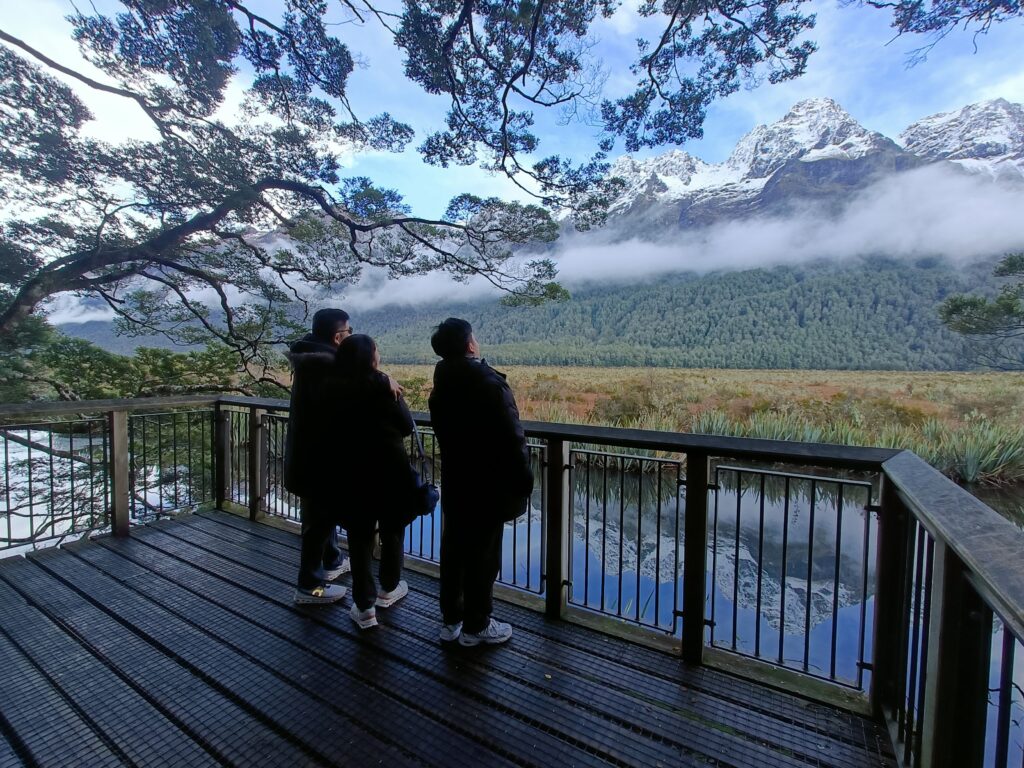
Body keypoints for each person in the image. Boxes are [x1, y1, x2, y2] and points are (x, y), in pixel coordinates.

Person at [282, 308, 400, 604]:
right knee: (317, 525)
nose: (349, 336)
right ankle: (310, 588)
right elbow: (354, 387)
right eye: (348, 332)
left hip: (310, 457)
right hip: (319, 461)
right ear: (337, 337)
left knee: (320, 519)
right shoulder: (326, 367)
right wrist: (383, 380)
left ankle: (333, 562)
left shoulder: (310, 361)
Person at [428, 318, 533, 646]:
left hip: (457, 481)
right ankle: (477, 626)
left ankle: (452, 621)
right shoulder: (489, 384)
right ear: (470, 344)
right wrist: (525, 480)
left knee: (454, 549)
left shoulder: (442, 382)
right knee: (484, 556)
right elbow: (512, 438)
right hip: (489, 486)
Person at [330, 334, 416, 629]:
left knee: (359, 537)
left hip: (353, 473)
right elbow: (406, 426)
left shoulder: (334, 388)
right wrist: (385, 380)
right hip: (391, 472)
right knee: (393, 530)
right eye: (376, 350)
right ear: (370, 357)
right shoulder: (384, 387)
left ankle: (365, 608)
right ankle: (388, 589)